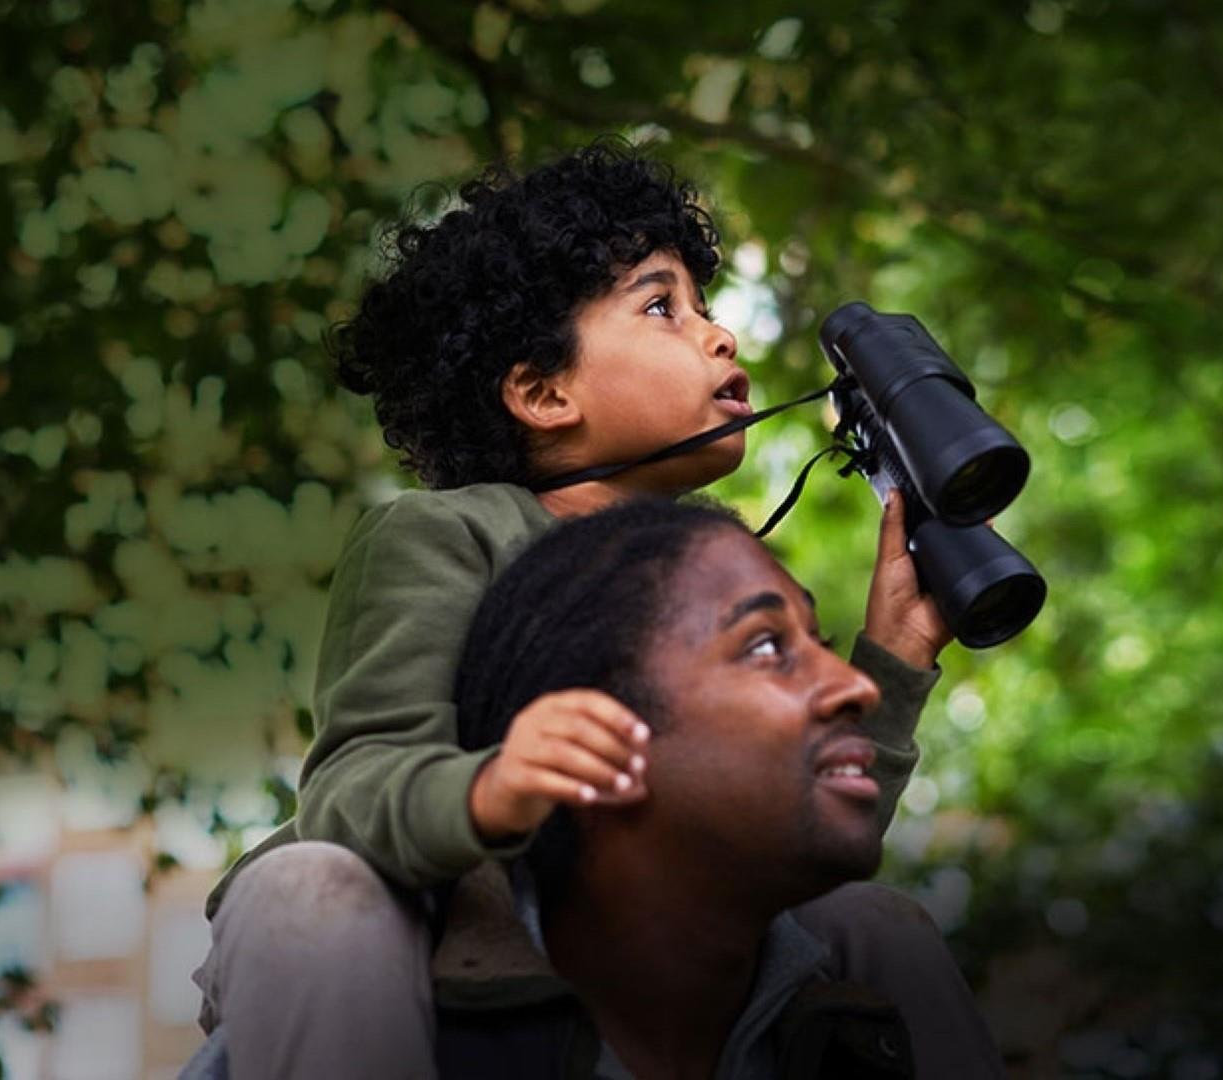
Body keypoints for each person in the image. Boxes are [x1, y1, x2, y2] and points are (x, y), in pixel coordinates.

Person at [188, 140, 974, 1078]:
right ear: (542, 392)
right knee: (307, 890)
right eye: (660, 307)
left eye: (707, 307)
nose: (719, 336)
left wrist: (893, 657)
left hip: (622, 947)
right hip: (408, 940)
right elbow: (353, 792)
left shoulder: (716, 575)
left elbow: (798, 833)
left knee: (872, 922)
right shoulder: (445, 535)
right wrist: (493, 789)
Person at [440, 498, 1003, 1078]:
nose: (855, 686)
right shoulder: (418, 1043)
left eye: (822, 645)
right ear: (595, 739)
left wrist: (903, 651)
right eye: (765, 647)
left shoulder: (853, 1027)